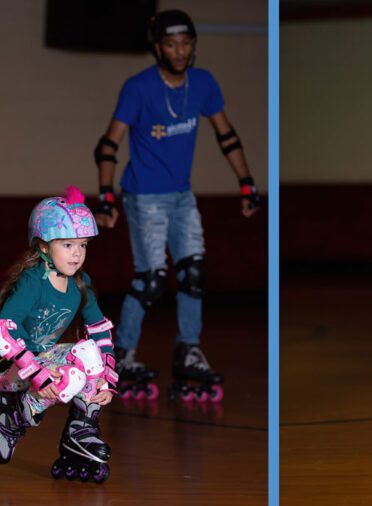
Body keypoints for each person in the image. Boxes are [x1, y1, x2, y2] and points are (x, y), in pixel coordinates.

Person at [91, 10, 263, 402]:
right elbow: (107, 145)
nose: (180, 51)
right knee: (150, 280)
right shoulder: (138, 88)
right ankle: (120, 354)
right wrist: (105, 196)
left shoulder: (202, 84)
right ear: (157, 48)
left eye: (186, 43)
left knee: (194, 273)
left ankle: (188, 350)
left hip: (182, 196)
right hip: (144, 196)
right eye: (171, 44)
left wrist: (247, 183)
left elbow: (227, 135)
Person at [0, 187, 118, 484]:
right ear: (44, 247)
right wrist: (37, 375)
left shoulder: (81, 283)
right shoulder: (32, 282)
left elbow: (99, 330)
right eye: (67, 244)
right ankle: (9, 423)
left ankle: (81, 432)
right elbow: (2, 332)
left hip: (39, 361)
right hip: (3, 365)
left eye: (83, 245)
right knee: (71, 376)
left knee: (88, 353)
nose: (77, 253)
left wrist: (108, 378)